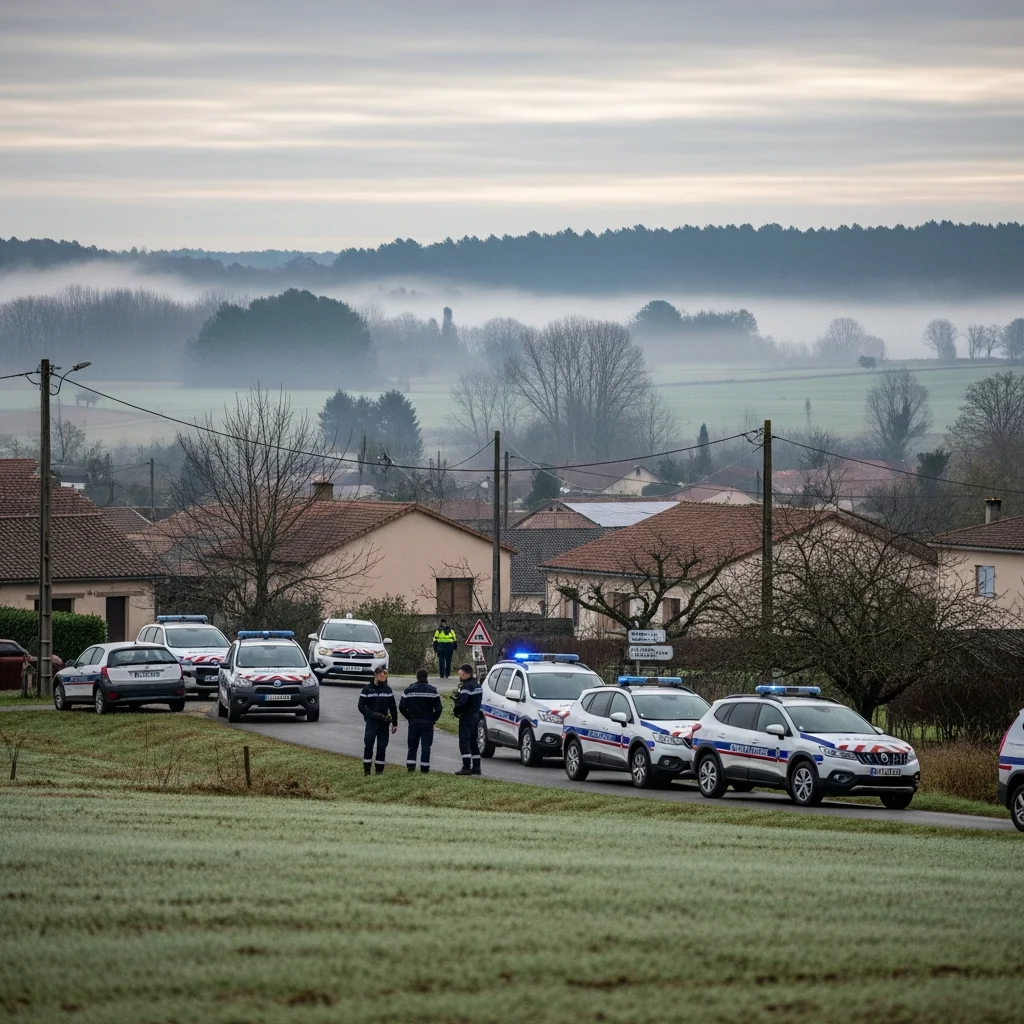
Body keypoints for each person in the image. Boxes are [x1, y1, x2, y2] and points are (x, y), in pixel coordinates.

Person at [399, 668, 443, 773]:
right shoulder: (432, 691)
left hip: (414, 721)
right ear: (427, 677)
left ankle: (410, 767)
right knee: (426, 746)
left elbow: (401, 706)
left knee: (412, 745)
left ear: (417, 677)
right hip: (427, 721)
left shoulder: (409, 690)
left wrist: (409, 717)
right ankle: (424, 768)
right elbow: (439, 709)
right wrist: (433, 719)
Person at [357, 667, 397, 775]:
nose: (383, 676)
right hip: (371, 722)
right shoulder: (367, 689)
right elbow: (361, 706)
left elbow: (393, 707)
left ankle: (379, 771)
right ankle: (367, 771)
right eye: (381, 674)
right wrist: (371, 714)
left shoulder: (387, 690)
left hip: (384, 723)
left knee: (382, 747)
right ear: (376, 675)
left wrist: (395, 723)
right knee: (369, 744)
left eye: (385, 675)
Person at [452, 663, 483, 776]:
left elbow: (463, 702)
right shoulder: (477, 685)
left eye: (461, 674)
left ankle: (466, 767)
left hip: (467, 717)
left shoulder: (466, 687)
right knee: (473, 742)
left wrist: (456, 709)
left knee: (464, 742)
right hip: (475, 717)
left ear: (467, 674)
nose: (460, 676)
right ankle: (476, 767)